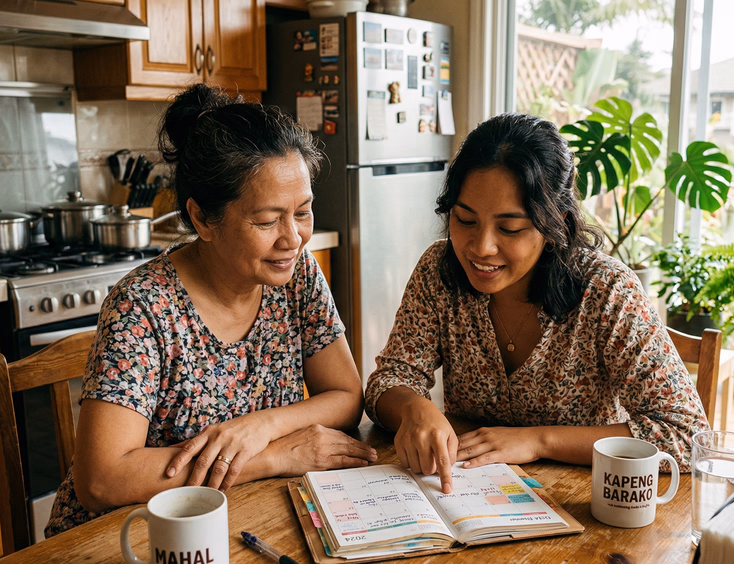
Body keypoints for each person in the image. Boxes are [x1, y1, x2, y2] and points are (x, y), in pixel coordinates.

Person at [46, 84, 375, 536]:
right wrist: (271, 456)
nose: (293, 238)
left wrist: (261, 426)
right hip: (130, 535)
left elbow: (346, 397)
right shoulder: (143, 306)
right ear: (202, 218)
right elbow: (101, 481)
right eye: (266, 220)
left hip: (240, 515)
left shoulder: (297, 276)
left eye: (303, 211)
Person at [364, 113, 709, 495]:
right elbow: (388, 381)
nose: (481, 247)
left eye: (510, 228)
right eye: (464, 220)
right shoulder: (439, 271)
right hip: (468, 491)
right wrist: (413, 406)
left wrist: (537, 440)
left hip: (586, 503)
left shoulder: (607, 291)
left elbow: (684, 433)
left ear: (554, 223)